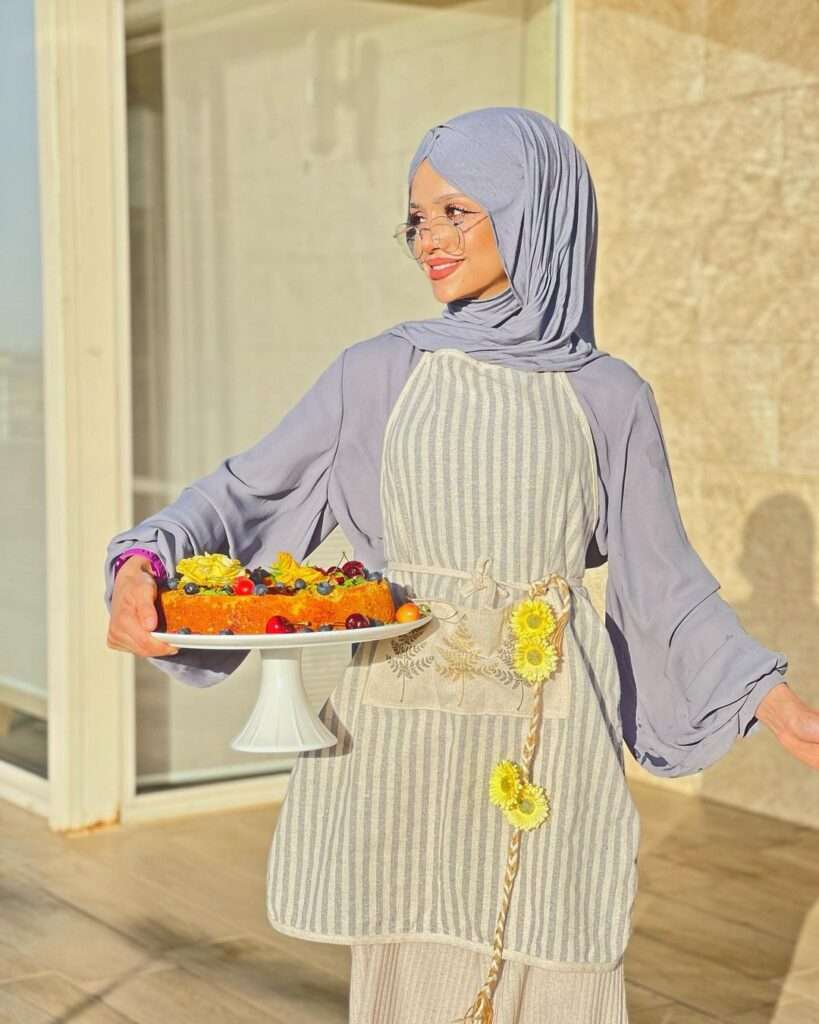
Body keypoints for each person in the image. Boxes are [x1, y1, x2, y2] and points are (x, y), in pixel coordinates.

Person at [105, 107, 819, 1023]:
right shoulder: (376, 374)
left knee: (560, 961)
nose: (429, 241)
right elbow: (242, 494)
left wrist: (766, 695)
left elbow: (663, 580)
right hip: (400, 748)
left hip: (549, 742)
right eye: (417, 218)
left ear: (535, 210)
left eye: (456, 211)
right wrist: (143, 562)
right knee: (418, 976)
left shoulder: (609, 397)